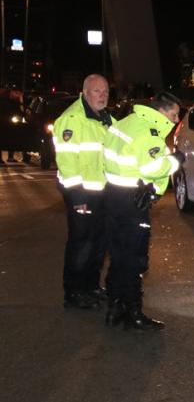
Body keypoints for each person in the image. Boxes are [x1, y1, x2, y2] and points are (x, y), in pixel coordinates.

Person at [102, 92, 182, 331]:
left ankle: (115, 308)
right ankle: (133, 313)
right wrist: (176, 160)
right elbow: (153, 167)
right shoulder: (149, 132)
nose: (176, 119)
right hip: (133, 202)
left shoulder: (125, 122)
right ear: (161, 111)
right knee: (134, 259)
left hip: (114, 196)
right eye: (174, 114)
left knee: (118, 255)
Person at [52, 74, 115, 308]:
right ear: (85, 92)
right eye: (97, 91)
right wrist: (77, 196)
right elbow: (67, 162)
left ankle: (91, 286)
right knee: (82, 244)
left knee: (98, 243)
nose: (103, 95)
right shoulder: (72, 119)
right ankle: (74, 292)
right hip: (82, 194)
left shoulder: (106, 118)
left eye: (106, 91)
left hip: (102, 193)